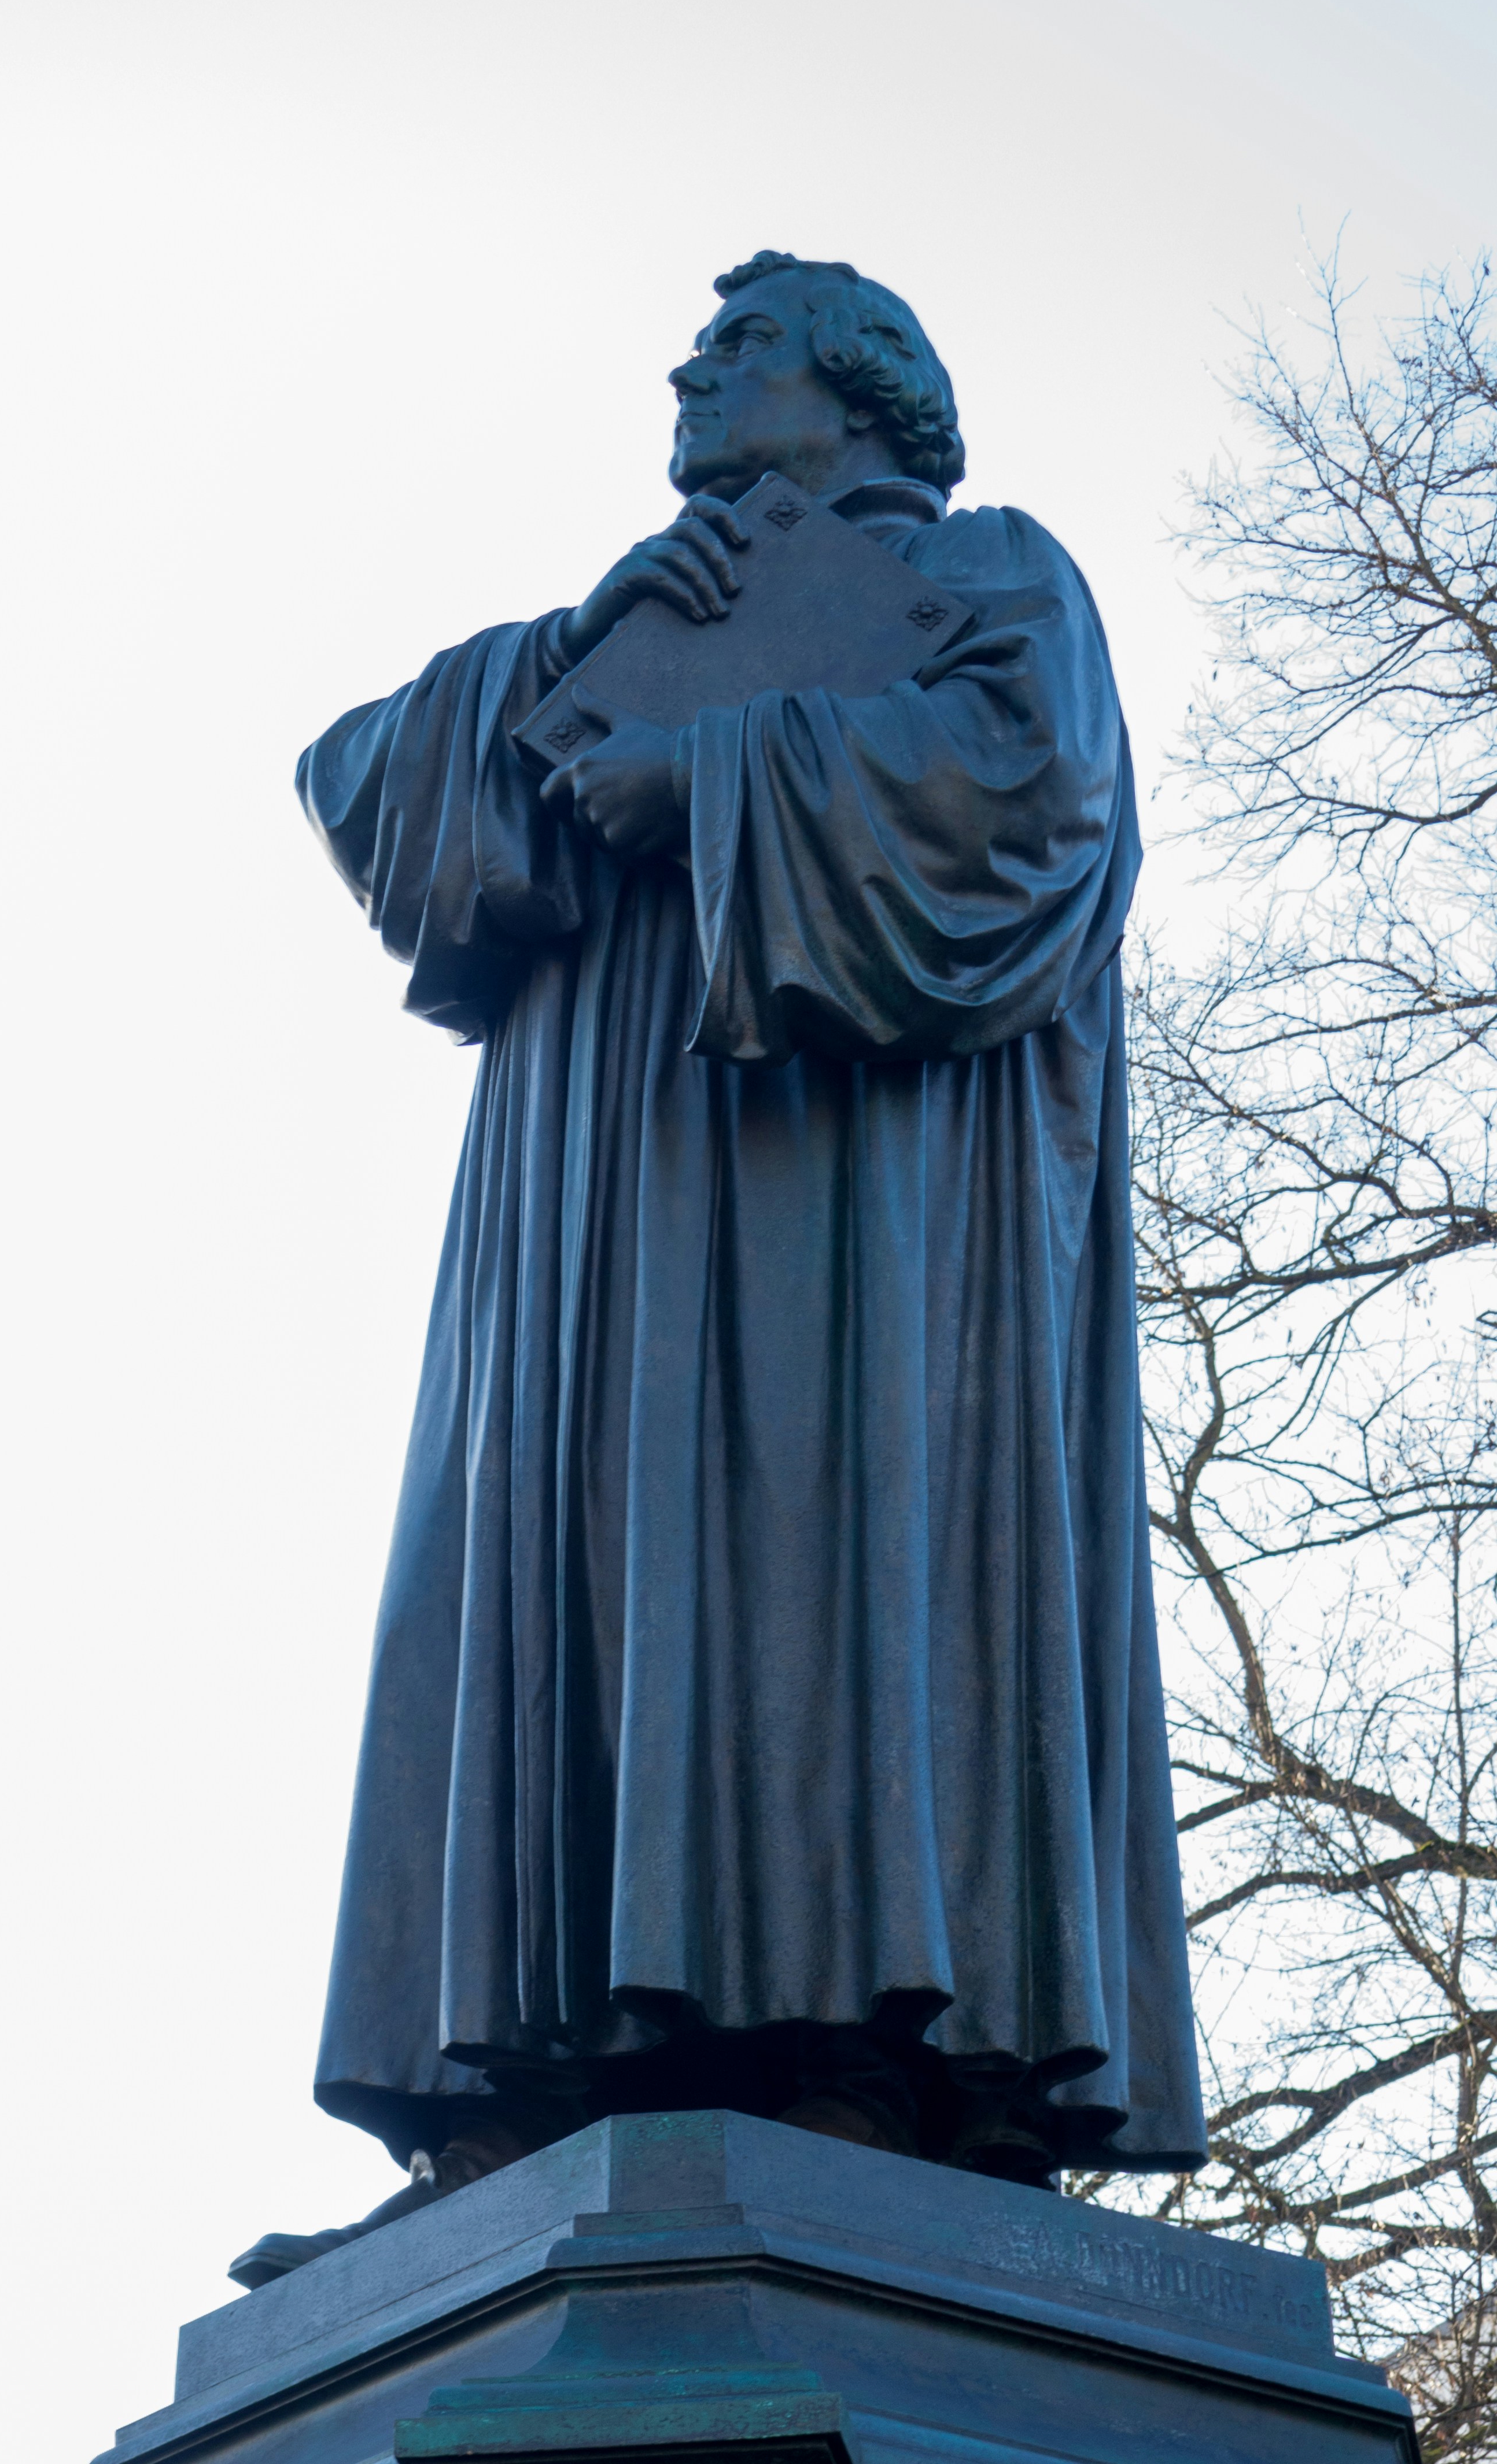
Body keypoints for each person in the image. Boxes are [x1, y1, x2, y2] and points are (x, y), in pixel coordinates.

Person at [231, 252, 1204, 2289]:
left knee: (818, 1566)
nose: (692, 365)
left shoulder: (987, 576)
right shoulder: (636, 611)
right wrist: (577, 649)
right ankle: (515, 2102)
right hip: (590, 1229)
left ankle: (867, 2059)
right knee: (565, 1584)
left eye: (746, 341)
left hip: (846, 1209)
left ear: (868, 387)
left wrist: (717, 776)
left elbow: (1034, 805)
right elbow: (360, 786)